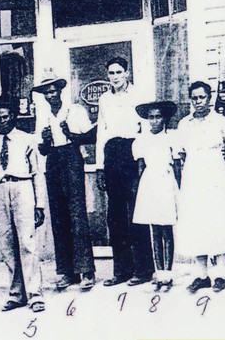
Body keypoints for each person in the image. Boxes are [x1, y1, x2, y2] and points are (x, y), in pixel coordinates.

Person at [0, 95, 47, 313]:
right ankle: (16, 294)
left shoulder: (27, 140)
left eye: (6, 117)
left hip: (23, 187)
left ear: (14, 117)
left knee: (27, 243)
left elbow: (37, 173)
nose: (2, 121)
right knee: (7, 245)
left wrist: (39, 205)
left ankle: (35, 294)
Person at [174, 81, 225, 294]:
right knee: (196, 221)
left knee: (218, 219)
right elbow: (181, 153)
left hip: (216, 174)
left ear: (209, 98)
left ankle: (220, 273)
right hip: (193, 174)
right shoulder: (185, 124)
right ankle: (201, 275)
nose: (198, 102)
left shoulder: (222, 122)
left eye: (201, 97)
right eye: (194, 98)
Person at [33, 69, 96, 291]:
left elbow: (91, 136)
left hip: (71, 158)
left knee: (77, 215)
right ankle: (67, 272)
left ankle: (86, 270)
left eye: (53, 91)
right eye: (46, 93)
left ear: (60, 90)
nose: (50, 95)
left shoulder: (75, 110)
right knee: (59, 217)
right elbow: (40, 150)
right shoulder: (43, 115)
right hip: (53, 161)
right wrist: (45, 142)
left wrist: (71, 134)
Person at [95, 57, 154, 287]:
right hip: (112, 154)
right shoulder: (104, 99)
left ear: (127, 73)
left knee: (136, 214)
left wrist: (141, 160)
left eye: (119, 72)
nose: (115, 76)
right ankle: (121, 270)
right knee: (115, 216)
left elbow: (144, 130)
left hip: (132, 152)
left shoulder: (138, 95)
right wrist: (100, 166)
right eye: (111, 73)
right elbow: (102, 132)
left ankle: (144, 269)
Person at [131, 100, 180, 291]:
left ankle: (168, 275)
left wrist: (179, 188)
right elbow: (140, 166)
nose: (154, 121)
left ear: (164, 118)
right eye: (151, 117)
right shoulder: (142, 140)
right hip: (150, 183)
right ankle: (159, 274)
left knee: (166, 229)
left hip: (166, 182)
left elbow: (176, 166)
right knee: (155, 230)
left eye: (158, 117)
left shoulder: (171, 138)